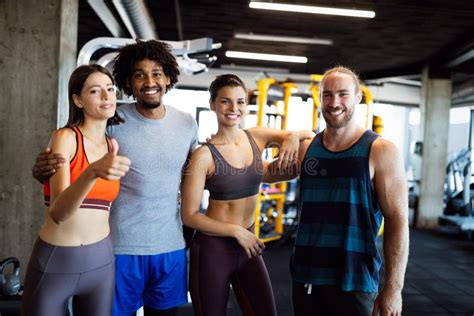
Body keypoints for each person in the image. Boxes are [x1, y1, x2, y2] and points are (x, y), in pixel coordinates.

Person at [32, 40, 198, 316]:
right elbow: (74, 158)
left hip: (170, 246)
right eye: (139, 74)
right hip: (119, 247)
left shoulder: (187, 123)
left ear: (168, 77)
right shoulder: (111, 119)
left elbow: (194, 172)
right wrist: (41, 171)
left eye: (157, 73)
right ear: (128, 83)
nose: (149, 81)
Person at [265, 66, 409, 316]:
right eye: (327, 95)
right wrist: (290, 135)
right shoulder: (306, 149)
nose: (334, 103)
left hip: (355, 279)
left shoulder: (381, 150)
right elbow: (256, 171)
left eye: (343, 94)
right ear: (319, 98)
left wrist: (393, 288)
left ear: (358, 98)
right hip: (306, 276)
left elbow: (397, 221)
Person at [181, 74, 314, 316]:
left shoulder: (256, 137)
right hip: (214, 247)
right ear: (213, 104)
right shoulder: (204, 155)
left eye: (240, 102)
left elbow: (308, 134)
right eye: (225, 101)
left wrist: (291, 137)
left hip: (248, 246)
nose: (234, 108)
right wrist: (236, 231)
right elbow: (189, 215)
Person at [22, 64, 131, 315]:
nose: (106, 96)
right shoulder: (66, 138)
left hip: (101, 263)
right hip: (56, 261)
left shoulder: (111, 145)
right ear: (78, 100)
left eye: (110, 89)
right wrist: (92, 172)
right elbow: (58, 213)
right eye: (95, 91)